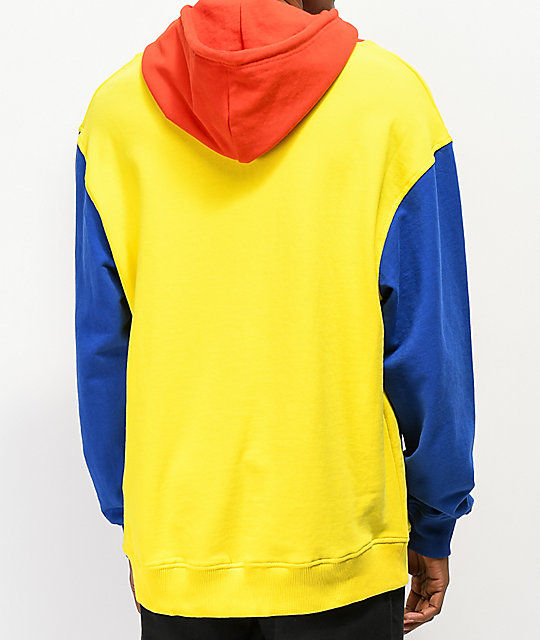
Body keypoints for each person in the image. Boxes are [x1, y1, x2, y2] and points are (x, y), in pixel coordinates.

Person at [74, 0, 475, 637]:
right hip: (341, 541)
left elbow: (103, 343)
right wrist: (434, 517)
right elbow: (429, 345)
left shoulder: (118, 113)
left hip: (181, 541)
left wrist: (138, 523)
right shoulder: (388, 102)